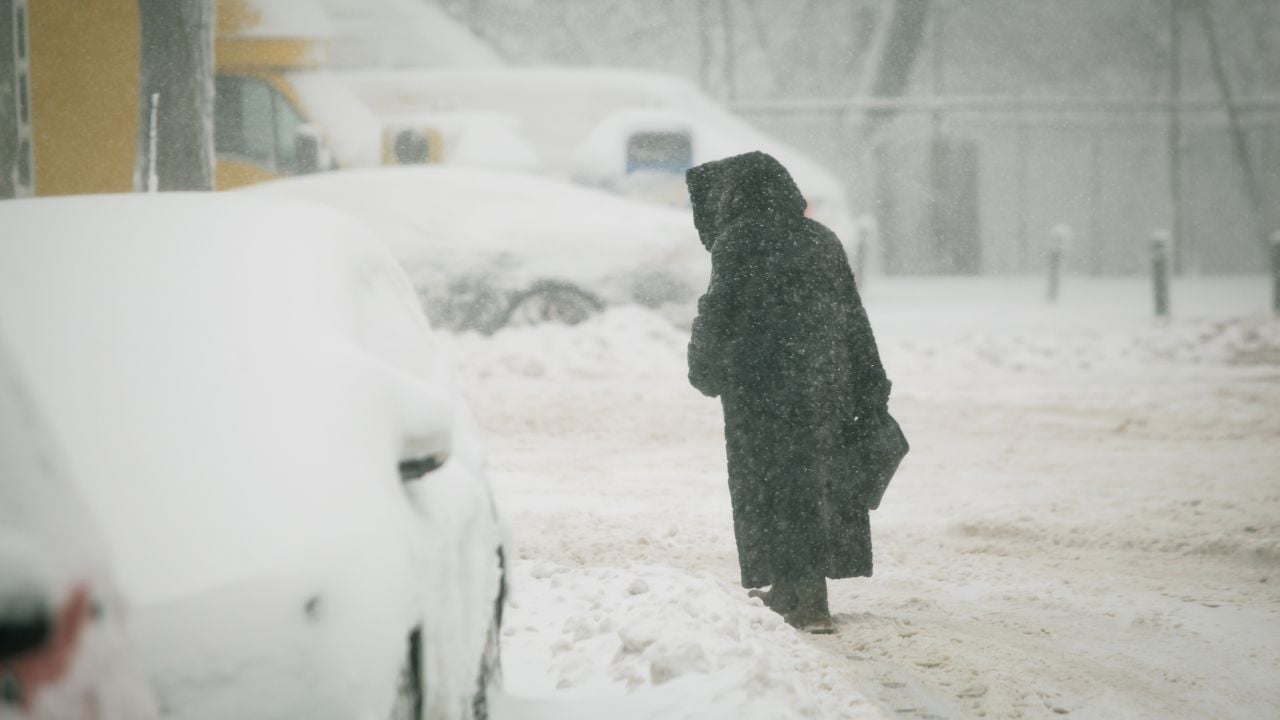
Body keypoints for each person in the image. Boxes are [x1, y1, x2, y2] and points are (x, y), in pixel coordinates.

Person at [685, 151, 893, 634]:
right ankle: (791, 590)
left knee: (770, 490)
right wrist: (870, 383)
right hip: (826, 385)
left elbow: (719, 311)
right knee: (813, 485)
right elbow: (853, 316)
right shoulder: (821, 239)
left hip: (760, 388)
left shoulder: (739, 241)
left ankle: (809, 604)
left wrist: (703, 367)